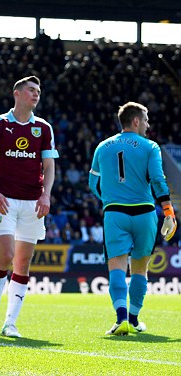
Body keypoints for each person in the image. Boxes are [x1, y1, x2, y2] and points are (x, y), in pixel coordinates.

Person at [0, 76, 58, 338]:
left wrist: (46, 196)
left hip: (34, 203)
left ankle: (10, 323)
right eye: (31, 90)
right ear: (17, 94)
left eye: (38, 91)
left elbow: (49, 166)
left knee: (23, 263)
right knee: (6, 255)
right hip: (4, 200)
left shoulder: (43, 128)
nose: (36, 94)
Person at [88, 101, 177, 336]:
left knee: (116, 267)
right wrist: (168, 212)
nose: (147, 126)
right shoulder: (150, 147)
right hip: (145, 213)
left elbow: (93, 184)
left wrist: (109, 199)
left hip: (115, 213)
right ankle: (135, 319)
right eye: (146, 120)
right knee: (140, 269)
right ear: (136, 121)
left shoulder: (102, 147)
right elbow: (158, 180)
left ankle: (121, 319)